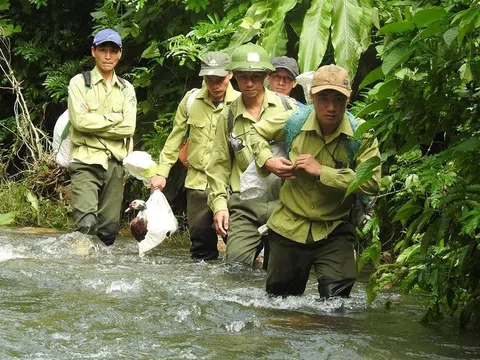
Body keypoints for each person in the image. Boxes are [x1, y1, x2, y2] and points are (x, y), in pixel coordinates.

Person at [250, 64, 381, 297]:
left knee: (336, 307)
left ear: (348, 99)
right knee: (280, 306)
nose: (331, 107)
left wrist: (322, 171)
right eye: (323, 98)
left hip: (335, 229)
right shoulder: (294, 122)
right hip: (289, 226)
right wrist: (267, 159)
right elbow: (254, 132)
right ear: (312, 97)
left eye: (338, 100)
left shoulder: (361, 134)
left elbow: (372, 183)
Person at [206, 43, 298, 266]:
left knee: (280, 276)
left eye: (255, 77)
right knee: (235, 269)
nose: (249, 83)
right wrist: (219, 206)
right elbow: (218, 166)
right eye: (243, 76)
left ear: (266, 76)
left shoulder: (290, 109)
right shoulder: (227, 117)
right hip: (244, 205)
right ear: (234, 76)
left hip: (283, 203)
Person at [150, 52, 239, 261]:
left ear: (230, 74)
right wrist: (162, 172)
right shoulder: (191, 101)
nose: (215, 84)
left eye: (220, 79)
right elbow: (174, 139)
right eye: (209, 79)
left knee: (237, 246)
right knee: (200, 247)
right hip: (198, 182)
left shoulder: (240, 103)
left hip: (230, 184)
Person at [68, 28, 137, 246]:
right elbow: (79, 122)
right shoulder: (79, 83)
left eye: (113, 51)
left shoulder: (127, 89)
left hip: (114, 163)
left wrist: (94, 123)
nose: (108, 56)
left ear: (120, 54)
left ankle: (101, 274)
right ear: (93, 52)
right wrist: (114, 118)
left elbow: (129, 128)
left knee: (109, 230)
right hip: (85, 160)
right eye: (103, 50)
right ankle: (80, 268)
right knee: (86, 224)